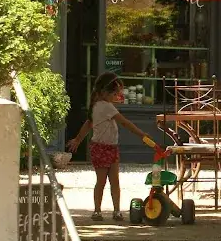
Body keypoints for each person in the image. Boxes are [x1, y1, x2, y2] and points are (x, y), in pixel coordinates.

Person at [66, 73, 162, 223]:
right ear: (105, 92)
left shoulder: (97, 105)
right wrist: (142, 134)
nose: (117, 97)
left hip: (108, 147)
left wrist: (78, 139)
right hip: (103, 148)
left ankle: (100, 211)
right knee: (110, 181)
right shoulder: (106, 107)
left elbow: (88, 123)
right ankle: (113, 211)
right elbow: (125, 123)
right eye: (115, 93)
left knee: (104, 181)